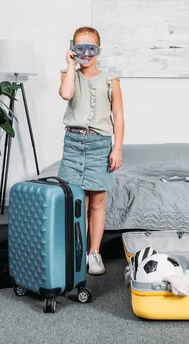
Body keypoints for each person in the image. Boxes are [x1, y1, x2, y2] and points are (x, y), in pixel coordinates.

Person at [58, 26, 124, 275]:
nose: (86, 53)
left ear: (99, 50)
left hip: (99, 144)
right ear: (73, 49)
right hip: (74, 143)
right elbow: (66, 94)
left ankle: (94, 253)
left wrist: (117, 148)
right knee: (78, 202)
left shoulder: (110, 79)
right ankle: (78, 251)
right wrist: (70, 66)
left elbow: (118, 115)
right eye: (79, 48)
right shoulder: (68, 74)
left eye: (91, 48)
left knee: (97, 202)